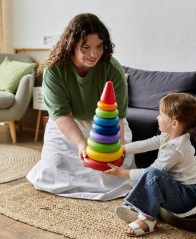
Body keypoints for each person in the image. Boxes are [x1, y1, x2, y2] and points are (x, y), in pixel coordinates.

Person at [26, 13, 136, 200]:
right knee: (53, 172)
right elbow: (60, 114)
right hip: (68, 124)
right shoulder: (54, 70)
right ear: (71, 46)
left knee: (110, 176)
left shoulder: (112, 69)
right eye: (86, 47)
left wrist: (119, 146)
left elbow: (119, 116)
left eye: (99, 47)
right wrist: (81, 144)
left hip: (106, 125)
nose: (94, 54)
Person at [104, 93, 196, 236]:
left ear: (174, 123)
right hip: (173, 189)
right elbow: (148, 144)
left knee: (153, 174)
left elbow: (150, 173)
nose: (157, 117)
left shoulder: (176, 149)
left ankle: (148, 218)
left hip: (185, 198)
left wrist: (121, 173)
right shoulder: (169, 135)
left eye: (161, 114)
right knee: (153, 177)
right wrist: (122, 148)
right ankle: (138, 207)